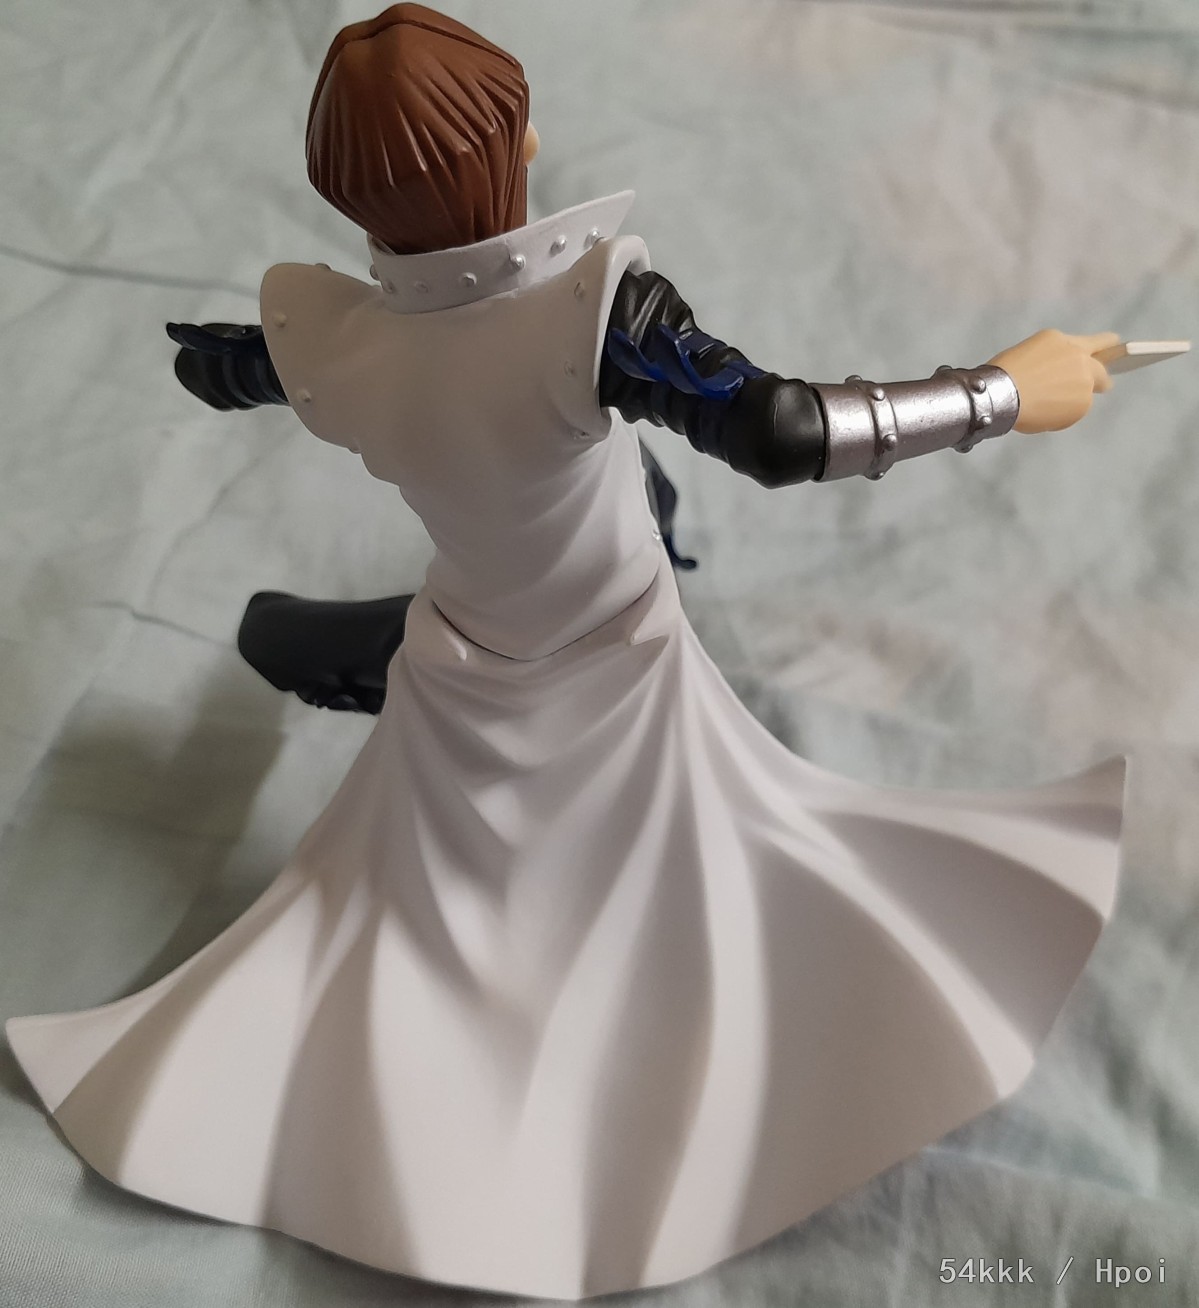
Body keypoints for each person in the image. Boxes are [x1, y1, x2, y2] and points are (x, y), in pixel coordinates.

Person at [7, 6, 1126, 1300]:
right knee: (680, 890)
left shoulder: (340, 344)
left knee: (443, 901)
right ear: (521, 144)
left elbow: (242, 372)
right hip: (608, 657)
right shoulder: (589, 321)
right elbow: (783, 430)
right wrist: (1000, 392)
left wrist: (233, 365)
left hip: (464, 654)